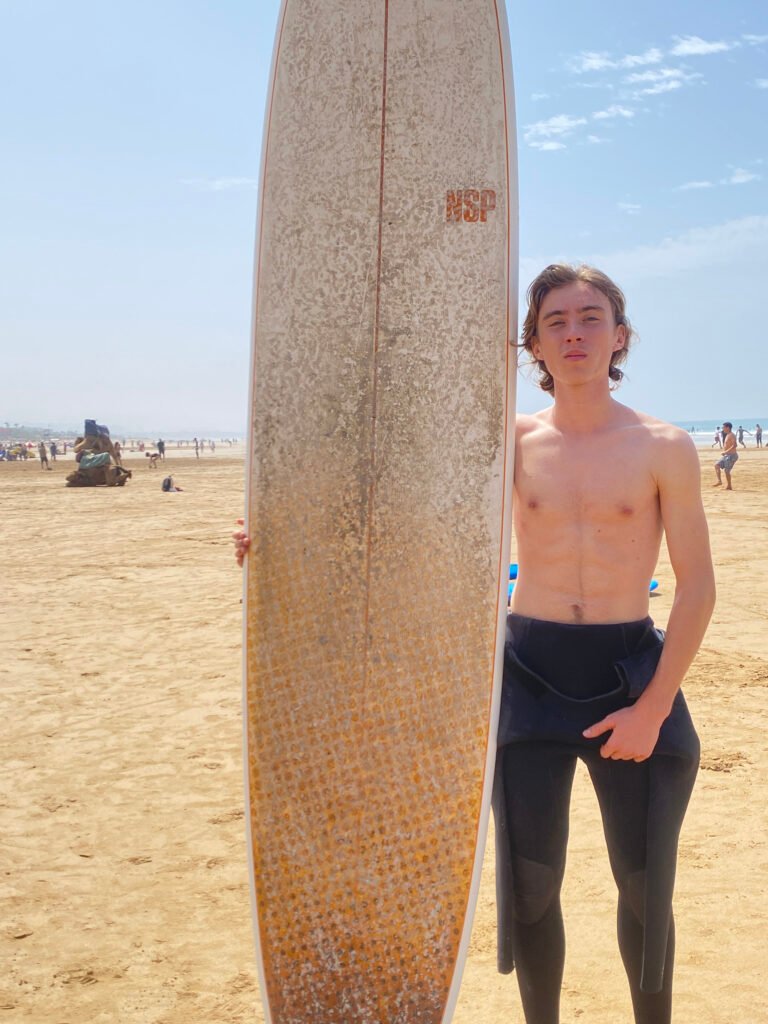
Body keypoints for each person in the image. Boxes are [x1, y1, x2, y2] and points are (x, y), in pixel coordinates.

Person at [233, 264, 716, 1024]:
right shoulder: (508, 443)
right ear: (533, 346)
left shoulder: (664, 446)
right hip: (528, 675)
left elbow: (697, 587)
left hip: (631, 675)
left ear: (620, 336)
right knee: (531, 890)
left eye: (591, 317)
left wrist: (654, 709)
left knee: (645, 886)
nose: (575, 333)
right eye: (555, 322)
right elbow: (393, 511)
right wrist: (283, 537)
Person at [714, 422, 738, 489]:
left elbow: (735, 445)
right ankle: (719, 481)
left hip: (732, 456)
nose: (722, 429)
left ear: (728, 427)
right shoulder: (727, 434)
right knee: (717, 465)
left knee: (727, 471)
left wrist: (725, 452)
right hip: (726, 455)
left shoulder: (732, 435)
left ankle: (729, 486)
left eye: (723, 427)